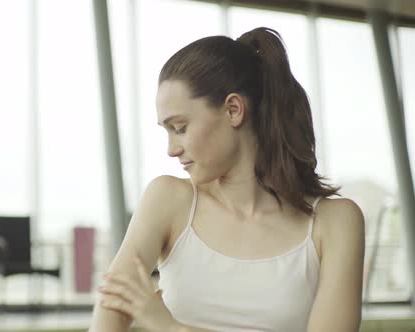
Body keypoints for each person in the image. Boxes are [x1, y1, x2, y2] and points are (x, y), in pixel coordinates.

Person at [88, 27, 365, 332]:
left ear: (233, 110)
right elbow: (112, 306)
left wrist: (168, 327)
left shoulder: (335, 222)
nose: (171, 149)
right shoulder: (168, 199)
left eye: (179, 127)